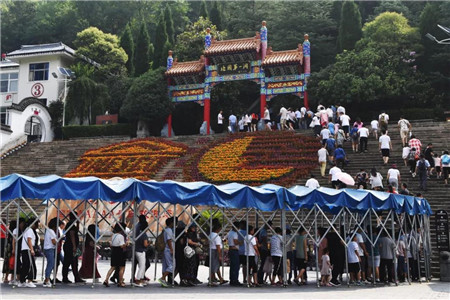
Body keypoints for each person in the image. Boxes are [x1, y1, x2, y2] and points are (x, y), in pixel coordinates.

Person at [62, 212, 84, 283]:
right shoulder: (70, 224)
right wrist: (74, 246)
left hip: (70, 246)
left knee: (70, 262)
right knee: (72, 262)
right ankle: (74, 277)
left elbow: (76, 231)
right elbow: (72, 235)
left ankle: (73, 277)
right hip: (70, 246)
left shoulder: (72, 224)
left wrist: (78, 223)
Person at [103, 223, 127, 287]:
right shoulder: (121, 236)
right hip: (120, 252)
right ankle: (120, 282)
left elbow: (110, 244)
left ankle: (106, 280)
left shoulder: (113, 235)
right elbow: (122, 246)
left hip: (114, 252)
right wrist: (126, 244)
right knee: (122, 267)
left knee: (113, 267)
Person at [18, 218, 40, 288]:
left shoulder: (26, 229)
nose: (39, 224)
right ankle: (29, 281)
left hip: (25, 249)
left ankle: (22, 280)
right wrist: (32, 249)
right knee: (30, 265)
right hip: (27, 249)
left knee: (26, 265)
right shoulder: (30, 230)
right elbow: (29, 240)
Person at [158, 217, 176, 287]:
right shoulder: (169, 230)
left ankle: (164, 280)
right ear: (171, 223)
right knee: (172, 265)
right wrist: (171, 249)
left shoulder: (165, 230)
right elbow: (169, 240)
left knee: (165, 266)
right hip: (168, 250)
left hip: (165, 249)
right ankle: (162, 278)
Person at [133, 215, 149, 287]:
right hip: (141, 251)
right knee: (142, 266)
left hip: (136, 249)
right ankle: (138, 280)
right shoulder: (144, 234)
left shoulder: (137, 230)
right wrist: (149, 243)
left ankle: (141, 280)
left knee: (141, 265)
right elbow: (145, 244)